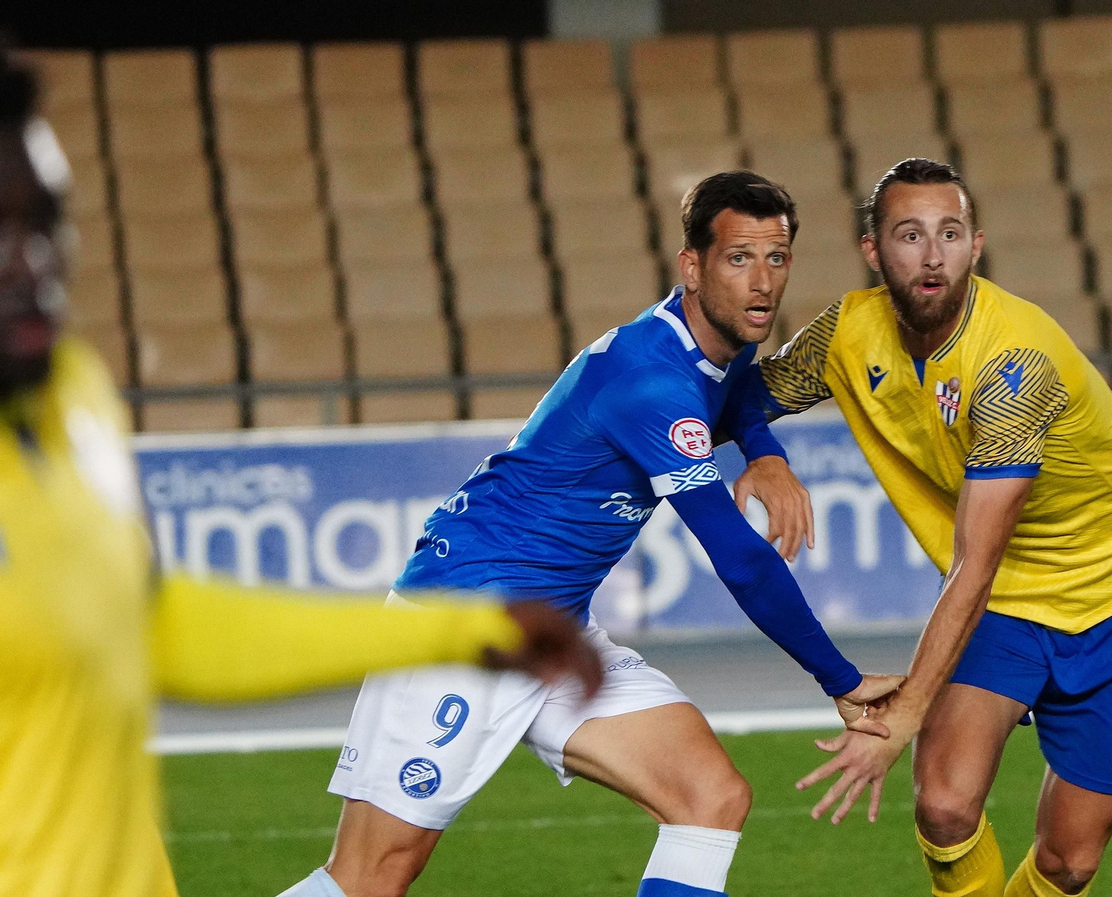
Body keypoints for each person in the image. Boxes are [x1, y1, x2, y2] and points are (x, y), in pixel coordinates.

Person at [0, 27, 602, 897]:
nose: (34, 267)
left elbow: (141, 621)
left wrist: (457, 633)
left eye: (45, 222)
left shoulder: (68, 392)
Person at [276, 171, 902, 897]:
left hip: (553, 630)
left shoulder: (706, 343)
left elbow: (734, 392)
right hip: (462, 619)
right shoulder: (650, 379)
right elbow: (740, 560)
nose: (762, 281)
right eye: (739, 258)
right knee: (371, 876)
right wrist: (841, 679)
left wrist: (764, 453)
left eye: (777, 257)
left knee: (709, 796)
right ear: (692, 266)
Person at [745, 159, 1112, 897]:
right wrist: (763, 453)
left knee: (1068, 862)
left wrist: (904, 716)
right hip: (1004, 601)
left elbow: (974, 562)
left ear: (975, 246)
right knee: (944, 807)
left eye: (949, 234)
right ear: (873, 249)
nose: (932, 255)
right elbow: (738, 398)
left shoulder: (1014, 364)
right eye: (909, 235)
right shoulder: (846, 332)